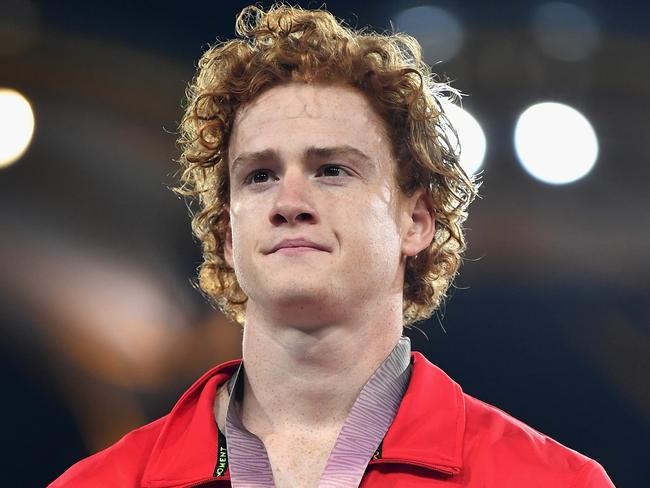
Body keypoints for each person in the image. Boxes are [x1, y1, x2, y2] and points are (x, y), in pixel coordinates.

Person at [51, 4, 615, 487]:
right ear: (227, 235)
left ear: (416, 220)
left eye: (332, 170)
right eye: (259, 175)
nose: (288, 201)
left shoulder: (547, 479)